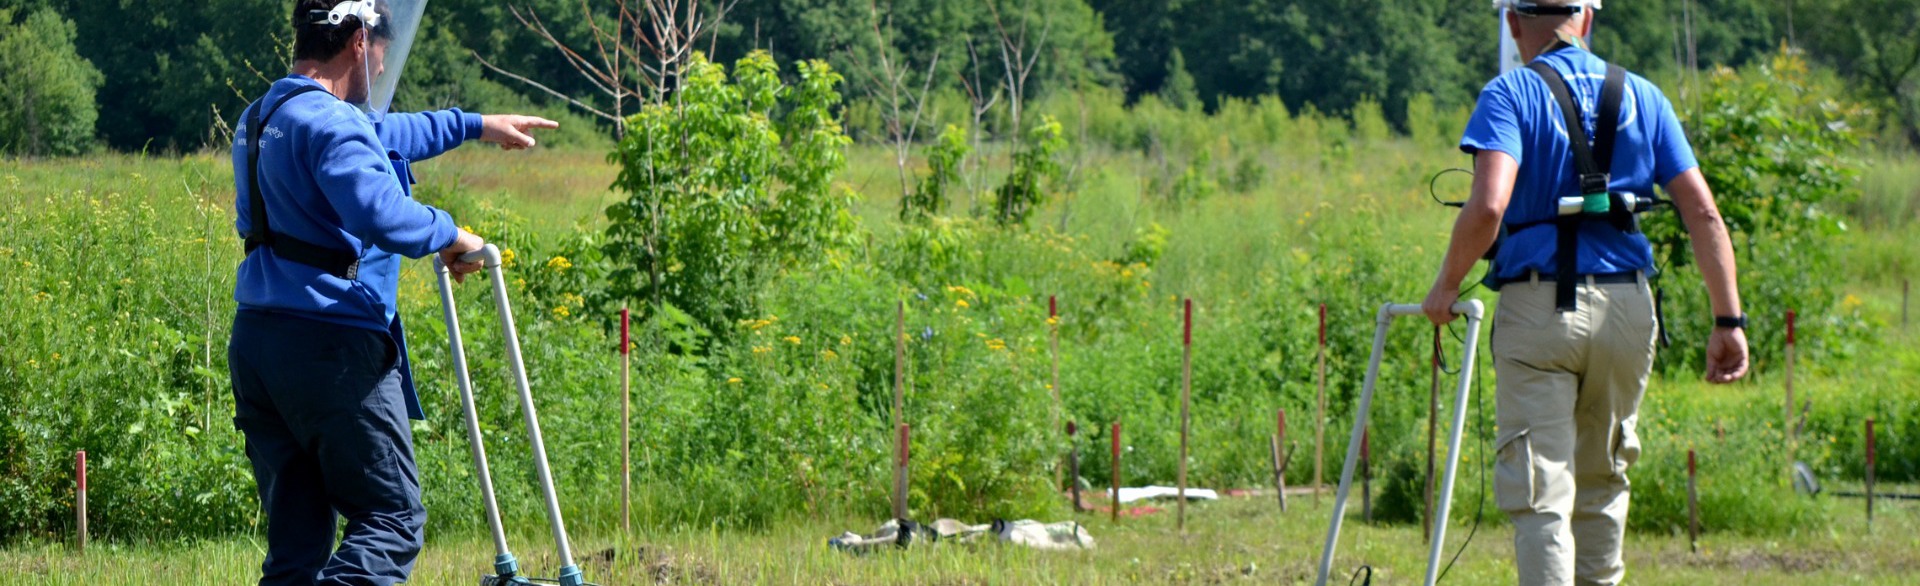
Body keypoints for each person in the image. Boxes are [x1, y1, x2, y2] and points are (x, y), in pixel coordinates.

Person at [226, 1, 556, 584]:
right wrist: (452, 233)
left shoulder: (262, 116)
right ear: (358, 41)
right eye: (380, 55)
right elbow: (383, 214)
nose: (379, 72)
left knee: (297, 545)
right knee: (392, 519)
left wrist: (477, 124)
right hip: (328, 348)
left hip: (257, 344)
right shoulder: (334, 124)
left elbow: (389, 132)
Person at [1420, 1, 1749, 584]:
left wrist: (1445, 287)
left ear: (1513, 22)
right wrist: (1729, 320)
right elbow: (1702, 210)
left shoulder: (1510, 93)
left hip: (1538, 308)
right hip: (1627, 309)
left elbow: (1490, 204)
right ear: (1587, 19)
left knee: (1541, 489)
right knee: (1603, 482)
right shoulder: (1645, 96)